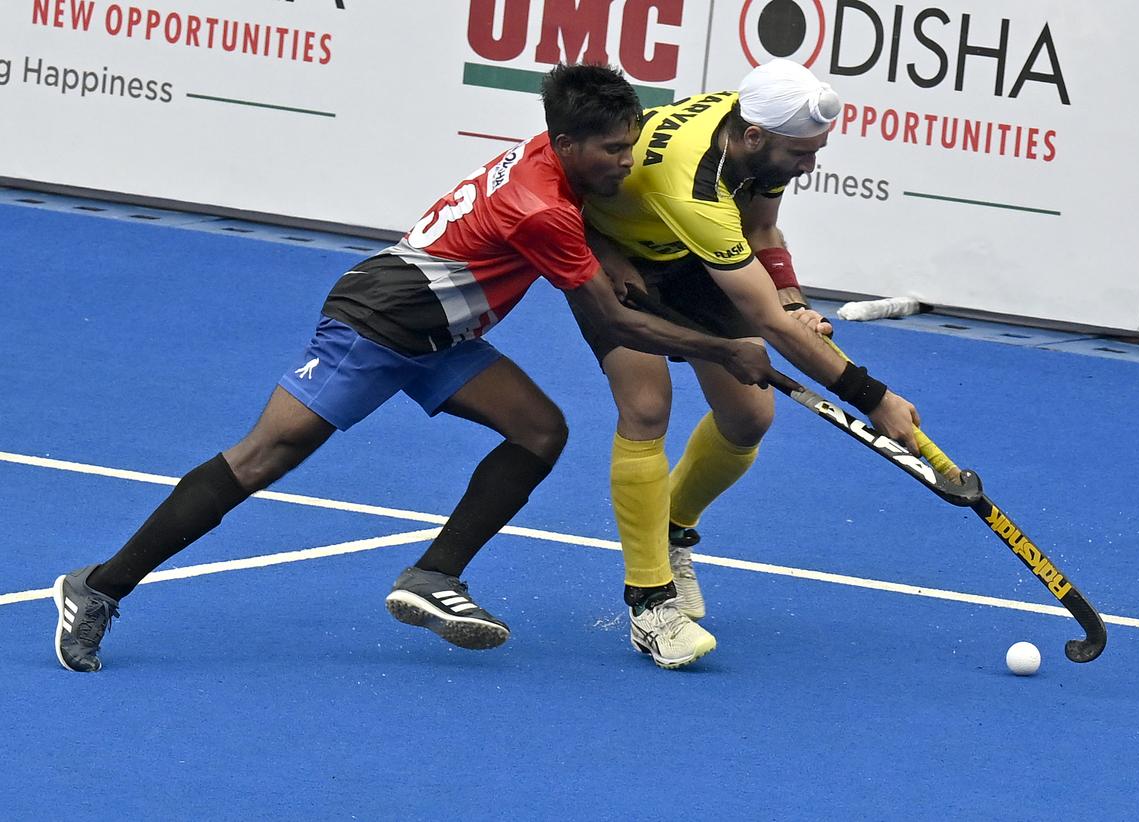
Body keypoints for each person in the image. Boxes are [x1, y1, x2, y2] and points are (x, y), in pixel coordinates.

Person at [51, 63, 791, 673]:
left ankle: (435, 576)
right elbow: (619, 323)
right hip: (379, 322)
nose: (626, 164)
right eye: (611, 152)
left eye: (631, 147)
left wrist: (620, 260)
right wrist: (725, 349)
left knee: (539, 431)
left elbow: (602, 266)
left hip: (444, 335)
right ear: (564, 143)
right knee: (260, 458)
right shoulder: (544, 207)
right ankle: (98, 587)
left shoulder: (553, 172)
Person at [572, 59, 923, 669]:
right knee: (648, 404)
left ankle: (674, 528)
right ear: (756, 137)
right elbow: (764, 323)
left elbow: (762, 230)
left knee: (749, 416)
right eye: (800, 154)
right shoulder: (696, 181)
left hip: (686, 248)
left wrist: (795, 302)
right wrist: (875, 398)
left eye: (816, 151)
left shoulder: (757, 130)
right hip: (606, 251)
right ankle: (650, 604)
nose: (809, 165)